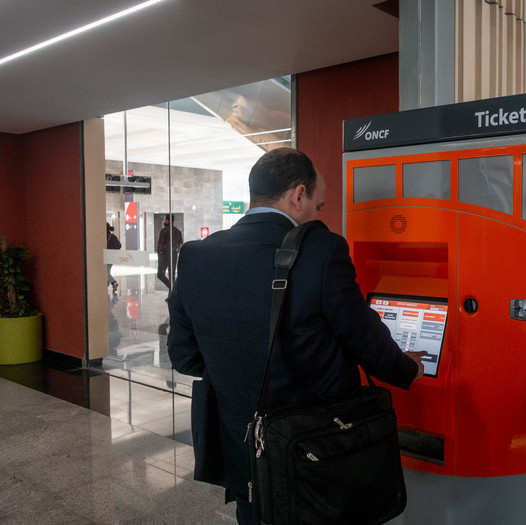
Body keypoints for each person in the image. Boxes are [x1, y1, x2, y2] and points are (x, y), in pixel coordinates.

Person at [167, 148, 425, 525]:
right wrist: (407, 368)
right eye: (317, 206)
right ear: (298, 194)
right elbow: (363, 338)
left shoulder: (196, 256)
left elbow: (184, 357)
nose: (317, 213)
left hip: (245, 452)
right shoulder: (321, 250)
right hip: (315, 449)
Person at [156, 215, 183, 290]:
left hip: (164, 256)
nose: (163, 221)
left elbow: (160, 245)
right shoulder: (178, 232)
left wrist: (160, 253)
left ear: (168, 221)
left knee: (160, 274)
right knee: (172, 276)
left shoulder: (163, 231)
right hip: (173, 256)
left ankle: (172, 290)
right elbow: (180, 244)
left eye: (164, 219)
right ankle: (172, 294)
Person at [106, 223, 121, 294]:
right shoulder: (113, 236)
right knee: (107, 271)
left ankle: (114, 282)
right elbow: (119, 245)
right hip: (112, 257)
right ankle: (108, 283)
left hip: (107, 257)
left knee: (106, 272)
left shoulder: (104, 236)